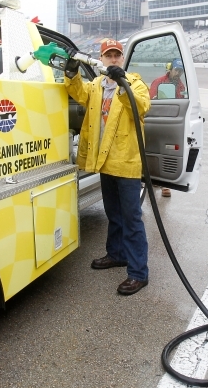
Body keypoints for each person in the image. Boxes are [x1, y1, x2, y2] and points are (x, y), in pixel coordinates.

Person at [64, 39, 152, 295]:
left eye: (117, 55)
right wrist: (71, 72)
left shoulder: (134, 83)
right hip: (105, 162)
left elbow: (142, 106)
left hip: (126, 163)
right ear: (101, 60)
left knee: (132, 219)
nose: (112, 59)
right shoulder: (95, 86)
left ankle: (138, 273)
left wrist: (123, 84)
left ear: (122, 58)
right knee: (113, 214)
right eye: (108, 55)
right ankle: (116, 254)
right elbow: (78, 93)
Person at [148, 58, 187, 198]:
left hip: (171, 123)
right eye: (177, 70)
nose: (178, 73)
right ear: (170, 69)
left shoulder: (181, 86)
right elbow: (150, 100)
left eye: (181, 71)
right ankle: (150, 179)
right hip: (157, 121)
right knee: (153, 151)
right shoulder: (158, 82)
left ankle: (164, 184)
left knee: (167, 154)